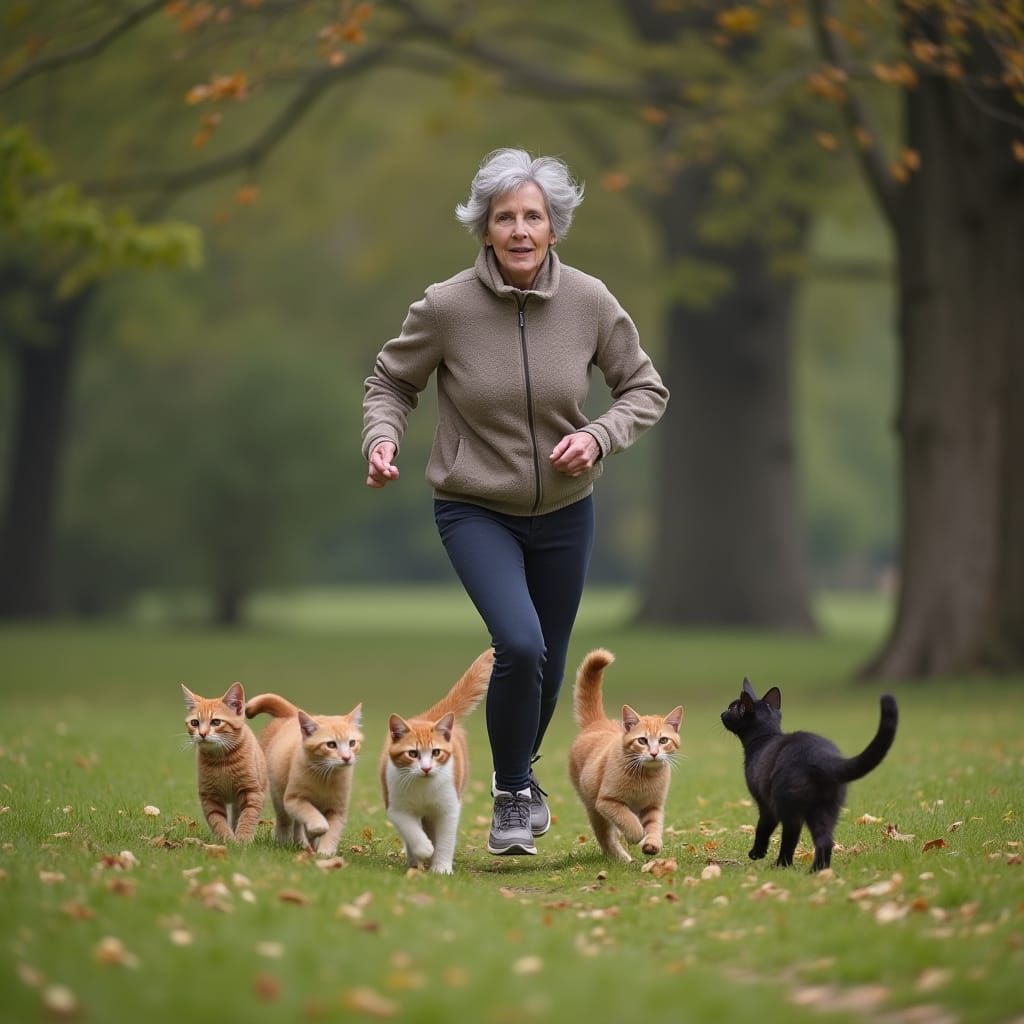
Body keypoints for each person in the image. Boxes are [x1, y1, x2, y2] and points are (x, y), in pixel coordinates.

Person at [362, 148, 668, 857]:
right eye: (505, 217)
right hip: (474, 507)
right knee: (520, 643)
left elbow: (645, 388)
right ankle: (511, 794)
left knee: (549, 662)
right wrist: (382, 438)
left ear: (554, 227)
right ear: (485, 229)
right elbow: (390, 382)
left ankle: (519, 774)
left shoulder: (589, 301)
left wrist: (598, 437)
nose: (521, 230)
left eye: (534, 216)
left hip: (565, 509)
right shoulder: (447, 307)